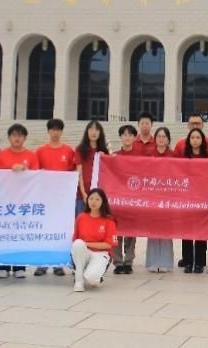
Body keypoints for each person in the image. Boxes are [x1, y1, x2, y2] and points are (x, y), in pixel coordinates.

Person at [0, 123, 39, 278]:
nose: (17, 138)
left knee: (20, 235)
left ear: (25, 138)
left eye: (20, 135)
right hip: (4, 202)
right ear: (9, 137)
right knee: (3, 234)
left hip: (23, 203)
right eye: (14, 135)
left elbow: (36, 178)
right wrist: (9, 170)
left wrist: (25, 171)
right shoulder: (0, 155)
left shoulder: (31, 156)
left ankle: (19, 267)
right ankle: (3, 266)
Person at [34, 118, 76, 277]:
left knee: (60, 232)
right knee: (44, 231)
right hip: (45, 198)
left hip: (62, 199)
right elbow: (34, 173)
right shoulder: (40, 151)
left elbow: (73, 172)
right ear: (48, 131)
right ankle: (42, 264)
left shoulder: (68, 151)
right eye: (52, 129)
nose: (55, 132)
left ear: (61, 132)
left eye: (58, 129)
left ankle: (58, 263)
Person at [72, 188, 118, 292]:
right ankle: (79, 281)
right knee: (78, 244)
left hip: (101, 254)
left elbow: (108, 245)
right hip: (84, 252)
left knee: (92, 279)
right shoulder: (81, 217)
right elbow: (75, 240)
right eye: (91, 198)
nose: (93, 202)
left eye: (97, 199)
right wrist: (83, 245)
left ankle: (95, 276)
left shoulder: (109, 220)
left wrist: (87, 244)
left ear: (103, 202)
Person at [145, 127, 176, 273]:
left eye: (164, 137)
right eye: (159, 136)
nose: (161, 139)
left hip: (168, 197)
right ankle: (152, 262)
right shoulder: (149, 154)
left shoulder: (173, 155)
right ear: (155, 138)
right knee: (152, 230)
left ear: (168, 139)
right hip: (152, 196)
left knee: (166, 230)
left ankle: (166, 263)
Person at [180, 127, 208, 274]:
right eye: (192, 138)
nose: (195, 140)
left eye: (198, 137)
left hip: (202, 198)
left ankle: (199, 263)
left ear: (202, 140)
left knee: (201, 232)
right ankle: (187, 261)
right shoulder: (184, 158)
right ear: (188, 140)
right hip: (186, 198)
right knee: (186, 232)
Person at [112, 125, 138, 274]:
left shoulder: (140, 157)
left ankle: (128, 261)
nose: (127, 137)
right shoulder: (114, 156)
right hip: (117, 200)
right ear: (120, 137)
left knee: (130, 233)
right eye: (124, 134)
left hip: (133, 200)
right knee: (116, 232)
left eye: (130, 135)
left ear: (134, 137)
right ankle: (117, 262)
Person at [73, 120, 109, 215]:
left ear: (100, 133)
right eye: (91, 129)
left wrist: (105, 157)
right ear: (87, 132)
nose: (94, 132)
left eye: (97, 130)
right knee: (81, 220)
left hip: (99, 194)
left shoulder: (104, 151)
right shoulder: (80, 149)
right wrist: (83, 193)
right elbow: (79, 172)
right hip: (82, 194)